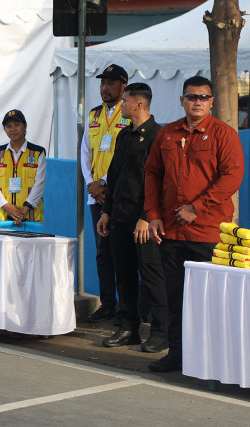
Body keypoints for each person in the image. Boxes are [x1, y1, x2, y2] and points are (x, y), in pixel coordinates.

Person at [144, 76, 244, 372]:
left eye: (203, 97)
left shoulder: (222, 134)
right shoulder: (167, 134)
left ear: (211, 102)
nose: (197, 101)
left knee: (212, 302)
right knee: (176, 298)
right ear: (182, 100)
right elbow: (152, 174)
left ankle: (214, 361)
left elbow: (232, 177)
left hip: (208, 233)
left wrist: (196, 207)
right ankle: (178, 355)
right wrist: (153, 214)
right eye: (191, 97)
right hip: (171, 233)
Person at [96, 83, 168, 353]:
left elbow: (159, 182)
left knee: (152, 275)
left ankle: (161, 332)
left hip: (144, 222)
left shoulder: (158, 136)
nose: (121, 105)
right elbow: (115, 178)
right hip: (119, 217)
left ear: (138, 104)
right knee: (123, 274)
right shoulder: (124, 136)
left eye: (124, 101)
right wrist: (106, 212)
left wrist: (146, 216)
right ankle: (129, 328)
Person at [81, 64, 129, 322]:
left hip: (118, 192)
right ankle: (107, 304)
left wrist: (104, 183)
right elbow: (85, 151)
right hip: (97, 196)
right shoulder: (94, 114)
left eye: (110, 83)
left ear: (123, 86)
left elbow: (126, 154)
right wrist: (92, 184)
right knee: (103, 253)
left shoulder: (130, 110)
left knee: (122, 251)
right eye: (102, 83)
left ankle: (126, 308)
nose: (104, 87)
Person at [0, 109, 46, 225]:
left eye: (17, 125)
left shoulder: (37, 152)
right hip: (2, 217)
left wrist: (25, 209)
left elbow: (39, 183)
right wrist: (6, 205)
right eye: (8, 126)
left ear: (25, 126)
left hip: (30, 217)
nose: (13, 129)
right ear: (4, 129)